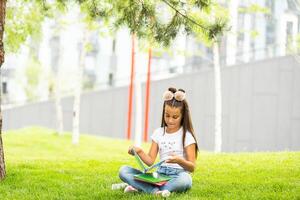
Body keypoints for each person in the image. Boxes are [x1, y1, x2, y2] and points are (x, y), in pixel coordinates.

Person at [119, 87, 199, 197]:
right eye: (167, 115)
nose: (170, 120)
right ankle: (157, 192)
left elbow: (192, 167)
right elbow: (150, 161)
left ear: (183, 116)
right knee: (123, 170)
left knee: (186, 180)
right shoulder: (158, 133)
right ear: (163, 113)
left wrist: (179, 161)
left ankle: (143, 188)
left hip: (178, 175)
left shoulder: (187, 136)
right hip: (159, 175)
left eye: (175, 117)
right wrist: (139, 151)